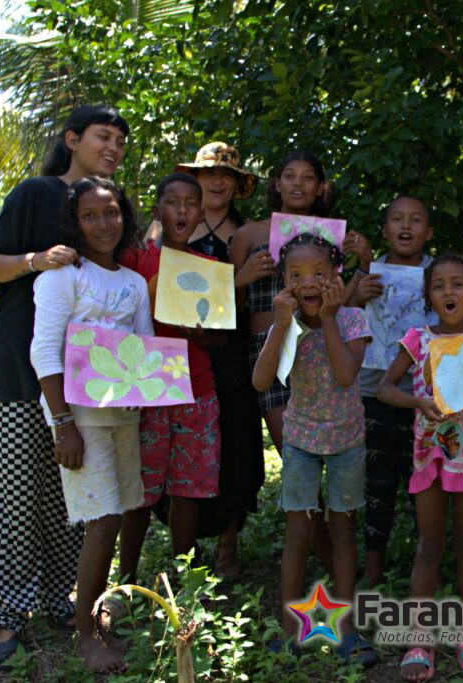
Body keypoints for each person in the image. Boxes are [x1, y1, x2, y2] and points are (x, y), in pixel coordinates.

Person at [0, 104, 129, 669]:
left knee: (71, 500)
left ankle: (59, 600)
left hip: (83, 384)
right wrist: (35, 260)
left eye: (120, 141)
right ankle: (4, 619)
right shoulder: (35, 193)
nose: (113, 147)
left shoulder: (107, 207)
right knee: (12, 498)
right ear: (71, 139)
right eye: (102, 136)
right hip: (18, 372)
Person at [29, 177, 150, 672]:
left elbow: (142, 347)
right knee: (101, 521)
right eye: (90, 215)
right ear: (74, 223)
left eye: (112, 212)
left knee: (117, 515)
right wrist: (63, 423)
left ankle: (98, 620)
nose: (103, 223)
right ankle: (86, 635)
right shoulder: (62, 276)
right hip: (78, 418)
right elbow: (44, 352)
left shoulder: (134, 283)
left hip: (123, 415)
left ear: (125, 216)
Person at [377, 252, 463, 680]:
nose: (448, 292)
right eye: (439, 286)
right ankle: (419, 640)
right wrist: (417, 401)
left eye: (458, 284)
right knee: (429, 545)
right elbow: (384, 389)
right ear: (428, 296)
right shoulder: (418, 339)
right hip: (431, 454)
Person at [251, 233, 377, 666]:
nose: (308, 282)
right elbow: (261, 382)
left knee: (342, 529)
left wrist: (328, 319)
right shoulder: (284, 324)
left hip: (346, 442)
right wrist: (282, 324)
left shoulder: (353, 320)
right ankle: (290, 631)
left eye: (319, 273)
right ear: (284, 283)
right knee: (298, 533)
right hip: (301, 441)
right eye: (296, 276)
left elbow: (345, 376)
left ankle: (346, 629)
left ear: (337, 276)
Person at [231, 150, 336, 576]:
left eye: (307, 177)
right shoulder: (248, 235)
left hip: (318, 350)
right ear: (276, 184)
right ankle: (325, 560)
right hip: (268, 348)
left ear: (320, 188)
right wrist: (243, 277)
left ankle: (335, 562)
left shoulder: (331, 237)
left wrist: (361, 265)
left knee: (327, 464)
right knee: (295, 457)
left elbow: (339, 302)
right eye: (289, 176)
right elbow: (222, 307)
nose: (298, 183)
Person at [118, 173, 227, 582]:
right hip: (145, 391)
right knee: (139, 493)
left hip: (196, 391)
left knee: (187, 491)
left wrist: (198, 335)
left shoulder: (211, 268)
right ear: (157, 209)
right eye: (173, 202)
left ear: (201, 214)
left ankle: (185, 582)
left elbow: (220, 337)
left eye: (191, 204)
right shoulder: (135, 260)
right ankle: (126, 581)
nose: (182, 210)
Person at [175, 142, 264, 578]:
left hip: (234, 354)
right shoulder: (172, 229)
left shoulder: (246, 234)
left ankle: (229, 543)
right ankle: (183, 551)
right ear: (195, 179)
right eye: (208, 173)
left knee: (238, 446)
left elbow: (250, 301)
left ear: (237, 185)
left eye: (226, 175)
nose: (216, 181)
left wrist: (236, 283)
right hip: (180, 351)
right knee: (179, 448)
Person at [343, 195, 434, 589]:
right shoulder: (369, 273)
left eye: (415, 220)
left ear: (429, 233)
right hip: (372, 391)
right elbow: (342, 317)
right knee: (377, 481)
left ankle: (427, 562)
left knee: (422, 482)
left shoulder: (438, 273)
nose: (406, 226)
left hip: (423, 394)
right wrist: (356, 294)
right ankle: (373, 566)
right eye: (397, 219)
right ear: (385, 230)